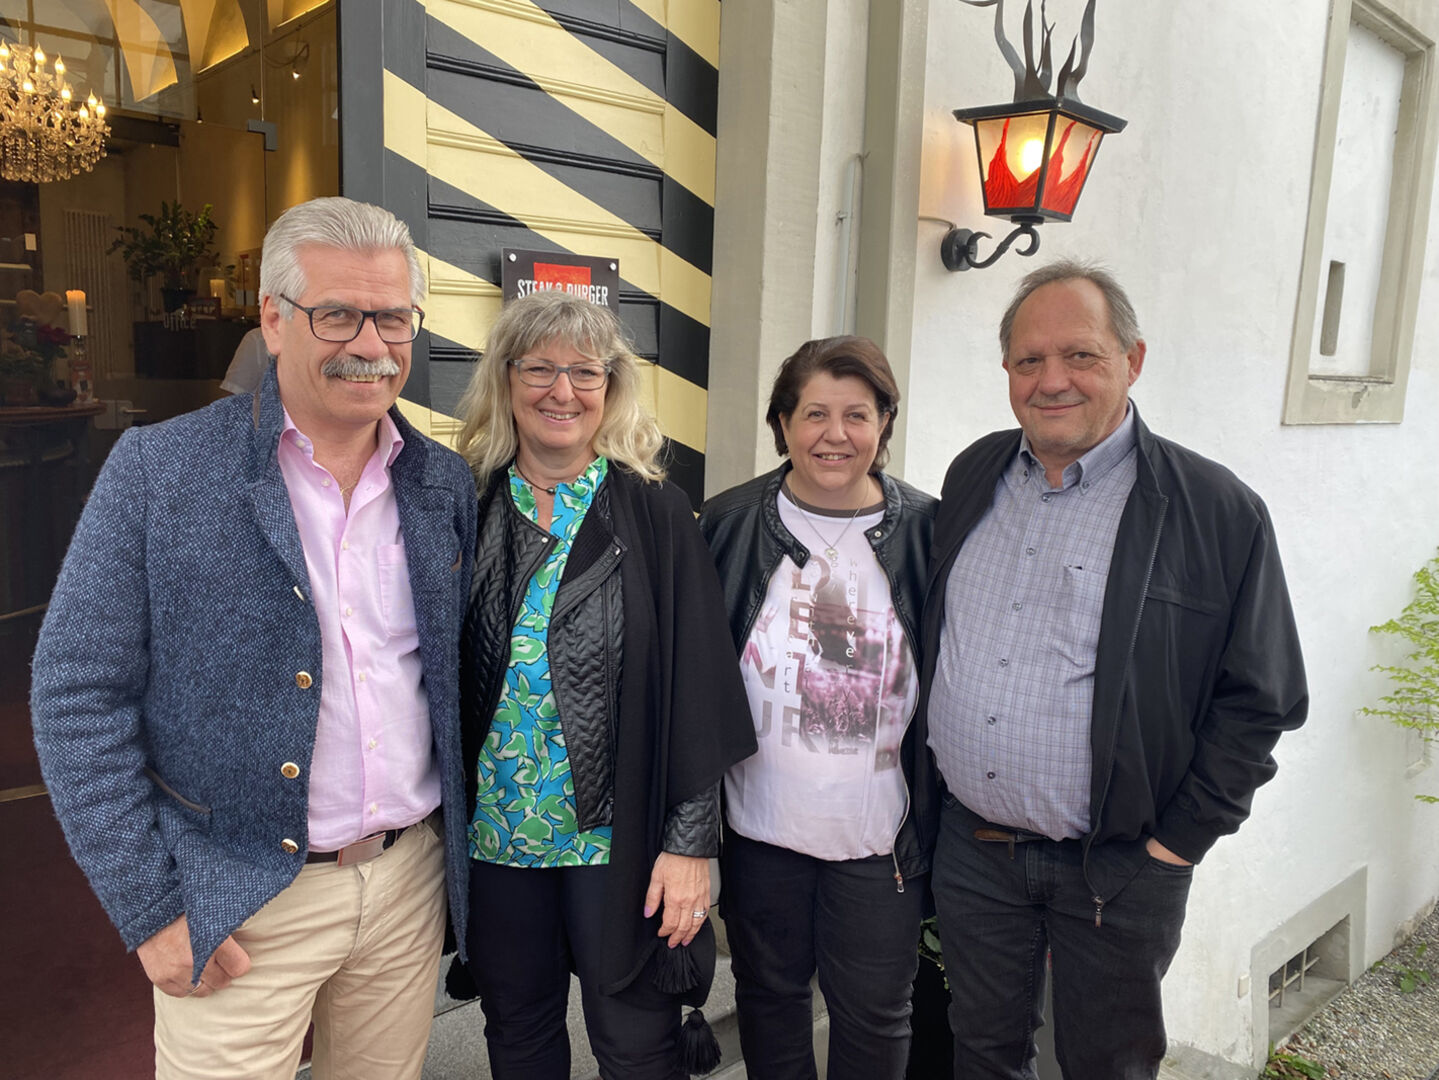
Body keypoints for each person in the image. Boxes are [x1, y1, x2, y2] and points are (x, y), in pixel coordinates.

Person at [30, 196, 477, 1079]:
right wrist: (149, 905)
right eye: (338, 313)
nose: (372, 344)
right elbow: (76, 694)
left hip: (407, 883)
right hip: (236, 898)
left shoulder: (443, 482)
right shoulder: (161, 473)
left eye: (393, 317)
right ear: (273, 320)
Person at [919, 259, 1308, 1079]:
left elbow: (1259, 698)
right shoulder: (974, 473)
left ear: (1132, 360)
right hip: (974, 850)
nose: (1051, 379)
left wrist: (1175, 845)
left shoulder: (1213, 511)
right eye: (1029, 361)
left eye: (1080, 356)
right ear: (1005, 373)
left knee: (1106, 1065)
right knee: (981, 1051)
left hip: (1120, 868)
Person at [453, 290, 756, 1080]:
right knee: (516, 1030)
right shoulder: (465, 503)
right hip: (497, 837)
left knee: (636, 1038)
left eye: (584, 371)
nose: (562, 391)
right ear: (505, 380)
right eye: (540, 369)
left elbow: (698, 684)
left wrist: (689, 844)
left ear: (611, 386)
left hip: (614, 840)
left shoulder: (654, 511)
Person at [698, 336, 938, 1080]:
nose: (834, 435)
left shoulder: (930, 532)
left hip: (878, 845)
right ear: (781, 423)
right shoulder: (726, 524)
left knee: (874, 1016)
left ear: (884, 423)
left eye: (857, 415)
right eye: (814, 414)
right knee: (768, 1001)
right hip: (759, 833)